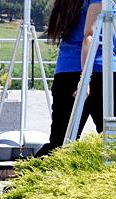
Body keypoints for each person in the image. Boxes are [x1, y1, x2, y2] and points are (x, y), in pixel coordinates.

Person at [41, 0, 108, 156]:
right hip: (96, 70)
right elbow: (89, 35)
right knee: (110, 141)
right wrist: (85, 80)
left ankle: (37, 175)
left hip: (66, 71)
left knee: (60, 143)